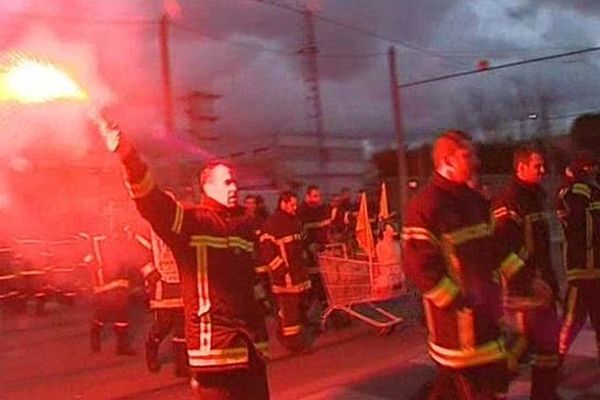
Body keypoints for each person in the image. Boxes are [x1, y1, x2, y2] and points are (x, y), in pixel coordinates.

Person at [93, 116, 269, 400]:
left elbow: (250, 282)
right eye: (226, 182)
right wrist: (128, 154)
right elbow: (151, 200)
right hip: (215, 354)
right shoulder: (191, 221)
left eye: (236, 182)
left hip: (252, 351)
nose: (234, 187)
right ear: (206, 186)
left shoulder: (244, 227)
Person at [402, 130, 526, 399]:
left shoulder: (476, 201)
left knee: (486, 385)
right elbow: (420, 268)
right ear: (448, 159)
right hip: (457, 333)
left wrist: (526, 280)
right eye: (468, 155)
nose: (476, 161)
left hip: (486, 325)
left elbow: (497, 247)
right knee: (472, 389)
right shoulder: (425, 207)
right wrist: (461, 301)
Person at [491, 145, 561, 399]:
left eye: (543, 165)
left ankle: (545, 395)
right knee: (518, 350)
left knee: (548, 350)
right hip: (523, 293)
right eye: (536, 166)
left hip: (544, 289)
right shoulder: (508, 201)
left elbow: (542, 248)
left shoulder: (537, 198)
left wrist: (551, 284)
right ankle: (489, 391)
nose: (542, 170)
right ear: (520, 168)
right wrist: (529, 281)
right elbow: (501, 249)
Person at [557, 152, 600, 362]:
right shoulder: (577, 190)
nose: (596, 170)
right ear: (586, 168)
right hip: (582, 270)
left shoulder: (590, 190)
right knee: (571, 320)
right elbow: (579, 225)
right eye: (593, 166)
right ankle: (553, 360)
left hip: (594, 269)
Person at [259, 191, 312, 354]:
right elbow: (266, 250)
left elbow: (301, 244)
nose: (295, 208)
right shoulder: (272, 224)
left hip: (299, 275)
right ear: (283, 203)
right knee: (291, 312)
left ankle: (286, 331)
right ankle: (293, 344)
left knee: (299, 308)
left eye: (296, 205)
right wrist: (280, 268)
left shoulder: (295, 221)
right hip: (286, 278)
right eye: (292, 205)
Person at [84, 229, 144, 356]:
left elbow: (132, 250)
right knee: (104, 309)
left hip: (121, 276)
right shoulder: (96, 234)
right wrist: (92, 266)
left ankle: (121, 346)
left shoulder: (124, 232)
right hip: (104, 277)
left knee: (122, 311)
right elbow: (87, 252)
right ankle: (96, 333)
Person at [140, 228, 189, 377]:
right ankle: (151, 349)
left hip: (182, 282)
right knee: (164, 324)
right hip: (162, 284)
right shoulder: (148, 230)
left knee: (183, 326)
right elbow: (139, 253)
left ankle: (181, 365)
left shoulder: (181, 225)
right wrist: (150, 272)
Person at [298, 185, 331, 305]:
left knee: (322, 281)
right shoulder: (302, 212)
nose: (318, 199)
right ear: (307, 197)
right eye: (315, 196)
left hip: (322, 251)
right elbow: (302, 233)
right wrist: (309, 245)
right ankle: (311, 307)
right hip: (310, 254)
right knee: (313, 281)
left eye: (319, 196)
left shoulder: (321, 210)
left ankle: (322, 304)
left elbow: (326, 229)